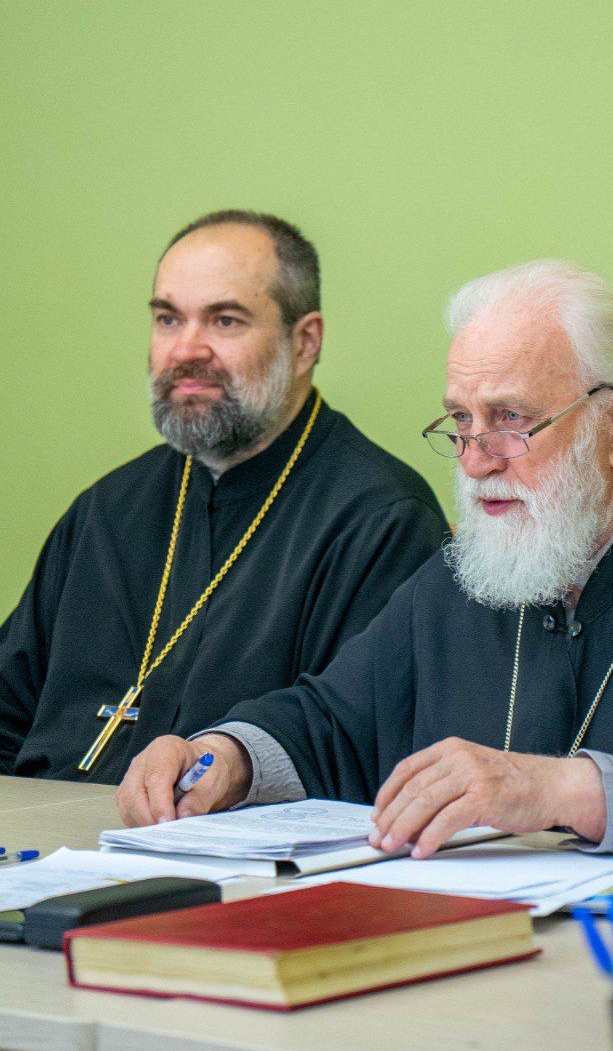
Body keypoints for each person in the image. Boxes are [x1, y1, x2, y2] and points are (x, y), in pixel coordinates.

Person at [117, 260, 613, 864]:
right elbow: (332, 721)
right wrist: (225, 757)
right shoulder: (462, 578)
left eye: (510, 419)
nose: (474, 461)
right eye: (461, 421)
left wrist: (567, 791)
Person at [1, 210, 447, 783]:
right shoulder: (107, 510)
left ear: (305, 342)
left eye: (225, 320)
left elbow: (356, 753)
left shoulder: (382, 521)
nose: (186, 349)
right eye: (168, 319)